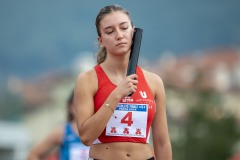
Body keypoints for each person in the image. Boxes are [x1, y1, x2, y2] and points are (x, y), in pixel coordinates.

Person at [74, 4, 172, 160]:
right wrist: (116, 94)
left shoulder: (154, 82)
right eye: (110, 31)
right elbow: (86, 137)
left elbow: (162, 143)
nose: (119, 35)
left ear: (133, 32)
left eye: (124, 28)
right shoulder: (87, 80)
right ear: (101, 40)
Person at [27, 90, 90, 160]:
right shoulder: (62, 131)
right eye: (78, 105)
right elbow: (33, 155)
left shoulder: (99, 132)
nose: (83, 109)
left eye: (87, 104)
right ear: (71, 107)